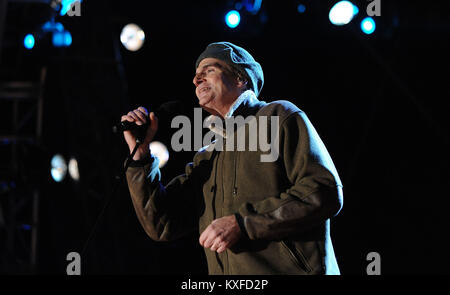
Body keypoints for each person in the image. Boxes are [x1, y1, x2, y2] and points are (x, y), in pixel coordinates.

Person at [122, 42, 344, 275]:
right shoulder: (207, 157)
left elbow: (323, 190)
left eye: (208, 70)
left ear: (240, 78)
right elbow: (161, 225)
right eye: (196, 76)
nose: (197, 80)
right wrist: (140, 156)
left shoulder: (278, 116)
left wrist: (243, 224)